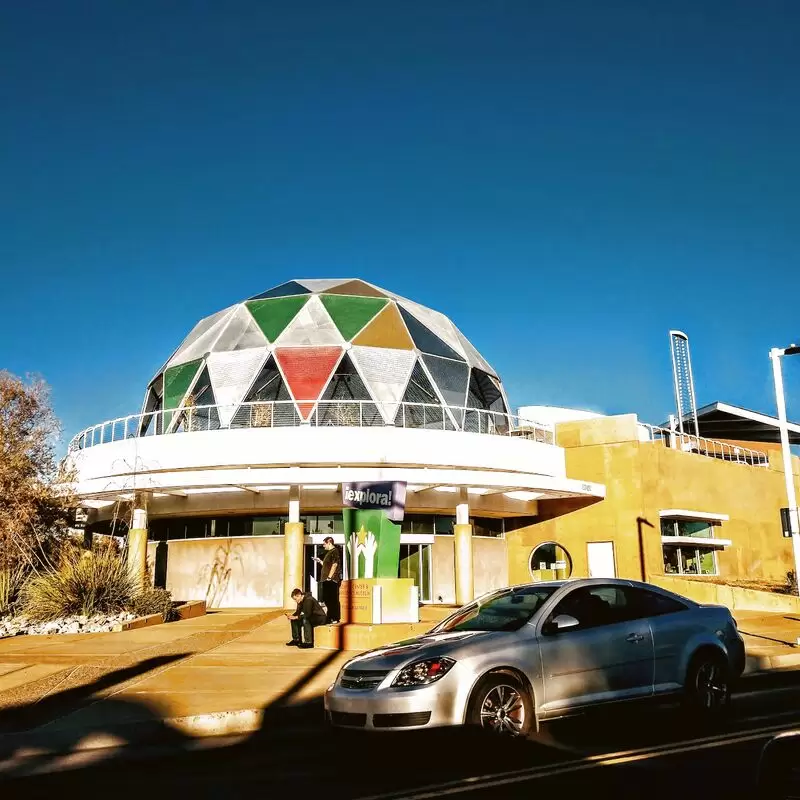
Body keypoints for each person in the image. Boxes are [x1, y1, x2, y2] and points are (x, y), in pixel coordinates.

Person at [314, 536, 342, 623]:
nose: (323, 546)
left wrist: (329, 577)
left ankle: (334, 617)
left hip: (331, 580)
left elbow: (334, 565)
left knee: (332, 599)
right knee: (327, 599)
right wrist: (320, 561)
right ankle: (330, 616)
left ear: (329, 542)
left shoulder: (334, 551)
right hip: (326, 580)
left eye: (324, 544)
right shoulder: (329, 553)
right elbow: (327, 566)